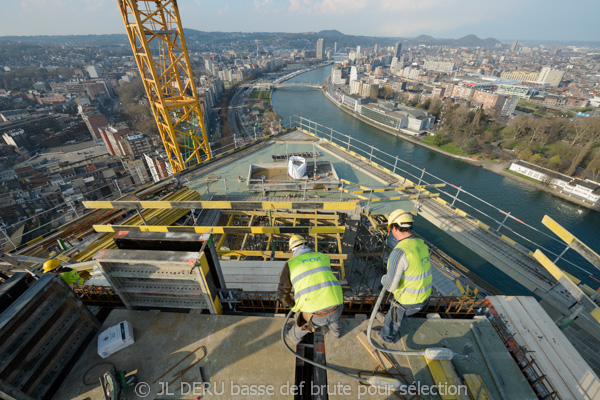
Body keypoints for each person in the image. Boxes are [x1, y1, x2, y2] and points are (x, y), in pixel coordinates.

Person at [278, 234, 343, 345]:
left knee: (302, 321)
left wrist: (293, 306)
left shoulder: (290, 265)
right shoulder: (322, 256)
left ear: (292, 251)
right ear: (306, 245)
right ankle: (336, 333)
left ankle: (293, 337)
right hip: (338, 305)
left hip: (316, 316)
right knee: (334, 318)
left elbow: (282, 295)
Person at [380, 209, 432, 343]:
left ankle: (387, 339)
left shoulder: (399, 253)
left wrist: (384, 279)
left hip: (407, 301)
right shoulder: (422, 245)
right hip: (424, 296)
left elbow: (390, 286)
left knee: (391, 320)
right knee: (400, 316)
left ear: (394, 229)